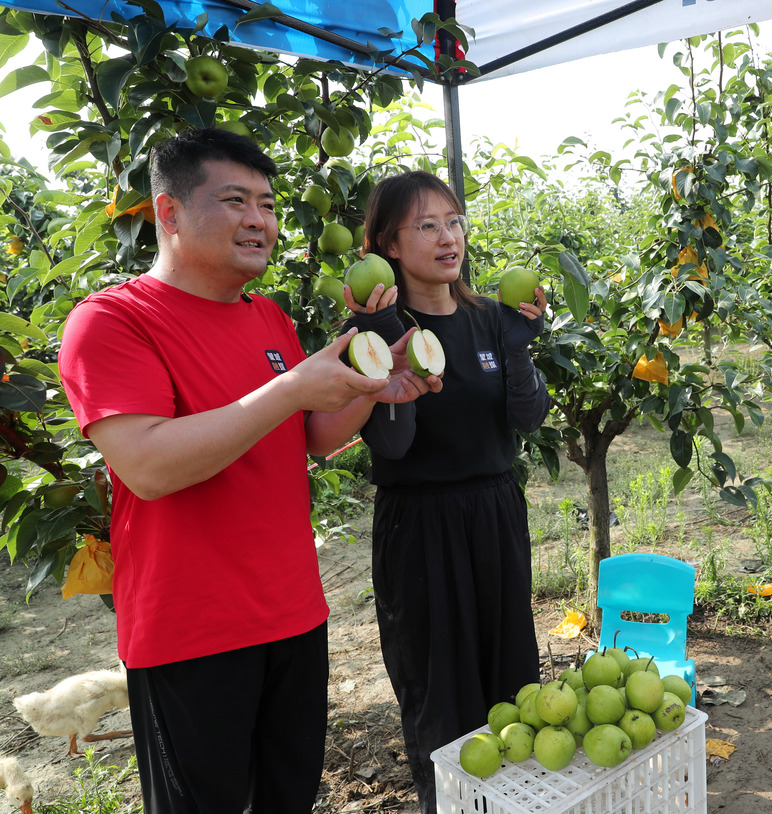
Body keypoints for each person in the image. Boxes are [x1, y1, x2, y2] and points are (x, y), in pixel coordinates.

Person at [57, 128, 440, 814]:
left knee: (286, 798)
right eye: (236, 201)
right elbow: (147, 465)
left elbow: (313, 439)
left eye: (266, 203)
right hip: (191, 632)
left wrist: (367, 389)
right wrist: (291, 388)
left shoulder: (269, 319)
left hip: (292, 614)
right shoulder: (113, 321)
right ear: (169, 213)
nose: (260, 221)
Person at [344, 170, 551, 813]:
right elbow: (394, 446)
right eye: (426, 225)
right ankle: (452, 803)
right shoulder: (376, 327)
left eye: (454, 221)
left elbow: (527, 417)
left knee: (509, 669)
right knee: (438, 680)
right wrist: (379, 341)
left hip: (494, 511)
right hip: (420, 523)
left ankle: (518, 799)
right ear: (387, 247)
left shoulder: (491, 317)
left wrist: (518, 351)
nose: (447, 237)